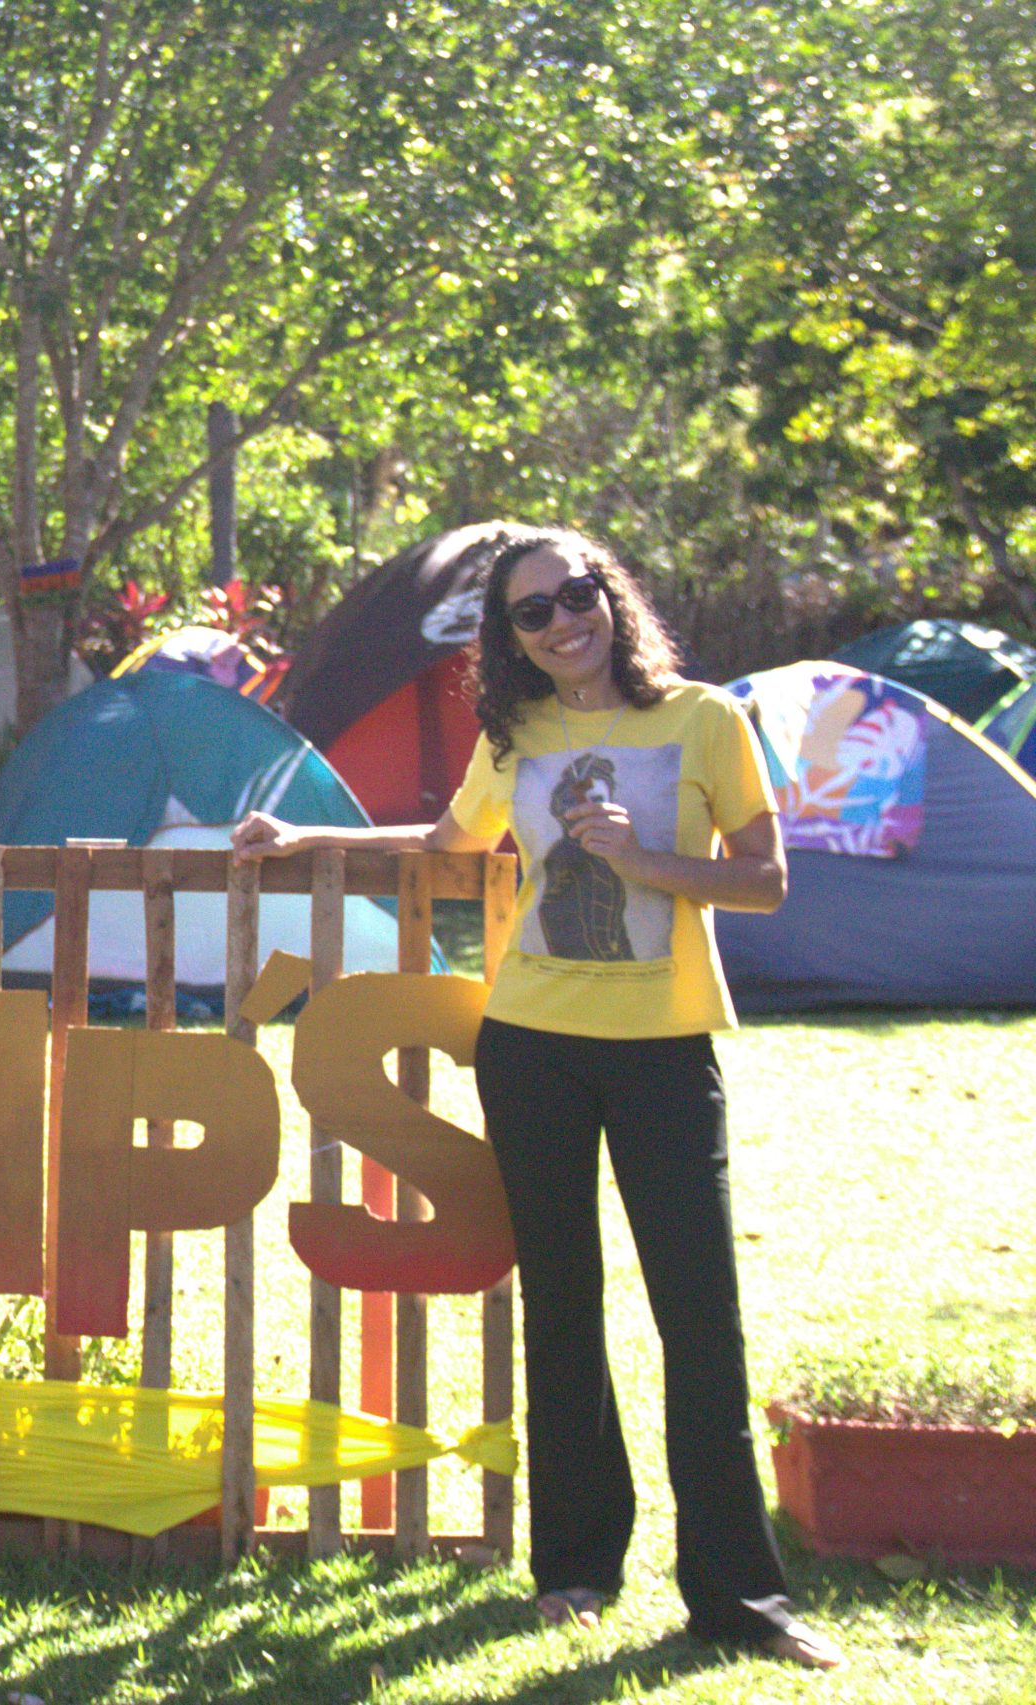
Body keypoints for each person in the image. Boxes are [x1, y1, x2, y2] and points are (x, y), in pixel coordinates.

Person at [231, 527, 841, 1670]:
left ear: (612, 598)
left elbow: (763, 879)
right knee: (561, 1306)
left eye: (578, 595)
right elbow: (447, 841)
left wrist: (644, 862)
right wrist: (307, 833)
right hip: (531, 1050)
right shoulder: (515, 734)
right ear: (506, 640)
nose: (564, 622)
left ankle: (738, 1597)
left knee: (697, 1320)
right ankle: (575, 1565)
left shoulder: (703, 720)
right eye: (532, 612)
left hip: (663, 1052)